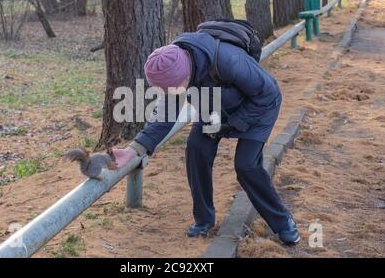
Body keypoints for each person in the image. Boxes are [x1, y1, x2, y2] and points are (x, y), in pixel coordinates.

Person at [112, 32, 300, 245]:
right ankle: (203, 220)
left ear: (186, 75)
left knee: (247, 166)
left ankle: (283, 221)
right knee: (196, 149)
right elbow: (164, 116)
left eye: (173, 89)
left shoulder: (229, 60)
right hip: (213, 109)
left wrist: (232, 124)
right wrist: (134, 149)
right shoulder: (173, 67)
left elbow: (268, 94)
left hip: (258, 108)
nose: (170, 94)